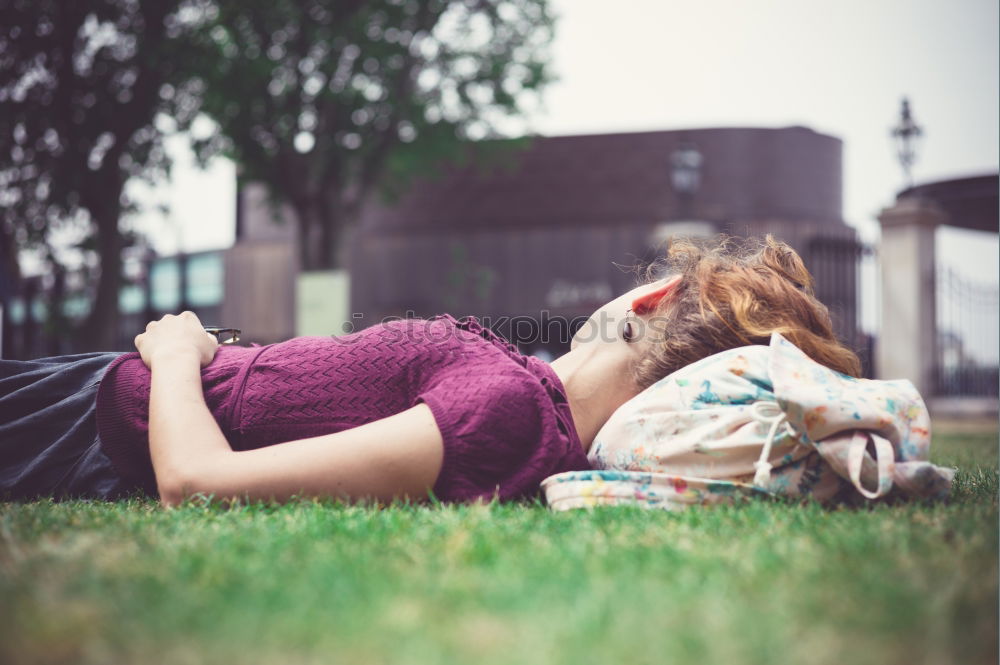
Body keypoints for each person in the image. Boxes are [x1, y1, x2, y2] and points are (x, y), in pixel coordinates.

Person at [0, 236, 861, 507]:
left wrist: (178, 352)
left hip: (88, 421)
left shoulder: (509, 410)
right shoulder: (525, 391)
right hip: (91, 396)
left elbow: (197, 479)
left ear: (652, 298)